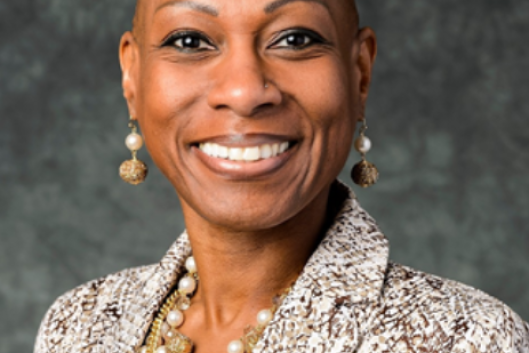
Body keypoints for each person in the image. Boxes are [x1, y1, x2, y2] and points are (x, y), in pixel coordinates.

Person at [34, 0, 529, 352]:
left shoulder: (464, 339)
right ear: (132, 77)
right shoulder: (79, 325)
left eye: (295, 39)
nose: (245, 91)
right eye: (190, 40)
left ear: (359, 74)